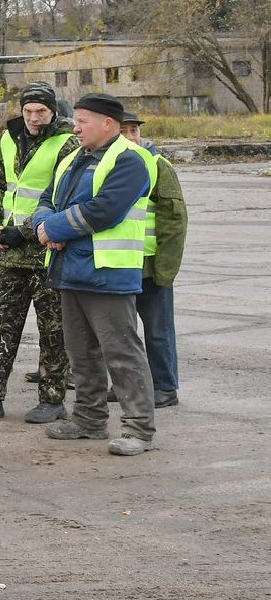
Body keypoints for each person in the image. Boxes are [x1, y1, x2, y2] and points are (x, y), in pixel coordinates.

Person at [33, 93, 158, 455]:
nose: (76, 126)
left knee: (121, 352)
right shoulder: (73, 158)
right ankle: (88, 420)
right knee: (81, 353)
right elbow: (46, 199)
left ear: (108, 123)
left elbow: (105, 210)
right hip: (70, 269)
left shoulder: (131, 160)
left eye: (83, 120)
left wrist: (53, 230)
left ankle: (139, 429)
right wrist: (45, 226)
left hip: (108, 273)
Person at [0, 83, 76, 423]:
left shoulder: (67, 144)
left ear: (53, 112)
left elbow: (62, 197)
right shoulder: (7, 139)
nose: (34, 118)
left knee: (53, 332)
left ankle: (52, 399)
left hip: (47, 252)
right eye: (29, 111)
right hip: (8, 253)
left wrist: (23, 233)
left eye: (41, 111)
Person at [122, 113, 186, 408]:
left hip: (150, 266)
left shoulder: (158, 165)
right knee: (121, 331)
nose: (130, 137)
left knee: (158, 331)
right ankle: (127, 385)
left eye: (133, 131)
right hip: (121, 262)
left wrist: (166, 270)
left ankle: (165, 387)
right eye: (123, 131)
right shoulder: (110, 165)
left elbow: (174, 221)